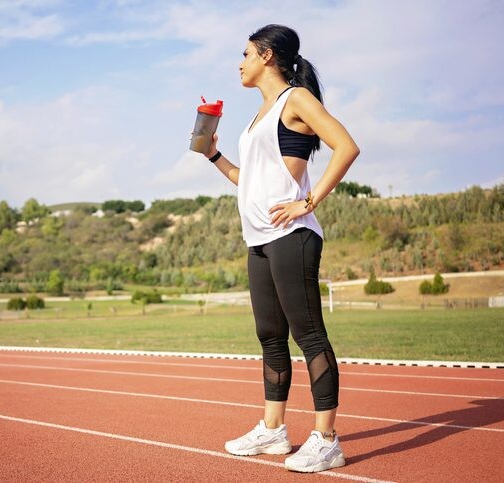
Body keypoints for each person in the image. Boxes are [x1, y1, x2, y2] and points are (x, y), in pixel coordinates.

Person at [204, 24, 359, 473]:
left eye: (246, 53)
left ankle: (327, 439)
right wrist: (213, 156)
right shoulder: (259, 116)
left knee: (309, 335)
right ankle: (273, 430)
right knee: (270, 337)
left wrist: (307, 202)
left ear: (267, 55)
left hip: (293, 236)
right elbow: (249, 181)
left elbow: (346, 147)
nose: (240, 62)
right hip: (259, 239)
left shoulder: (296, 100)